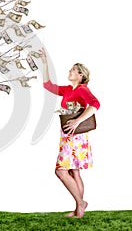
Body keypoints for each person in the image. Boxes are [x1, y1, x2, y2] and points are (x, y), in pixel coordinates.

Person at [38, 47, 100, 218]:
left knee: (60, 171)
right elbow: (47, 85)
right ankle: (79, 209)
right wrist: (44, 63)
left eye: (73, 69)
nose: (70, 71)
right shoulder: (67, 90)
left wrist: (78, 121)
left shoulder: (82, 89)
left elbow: (95, 104)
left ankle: (81, 203)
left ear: (81, 75)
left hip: (76, 136)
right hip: (67, 135)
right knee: (74, 171)